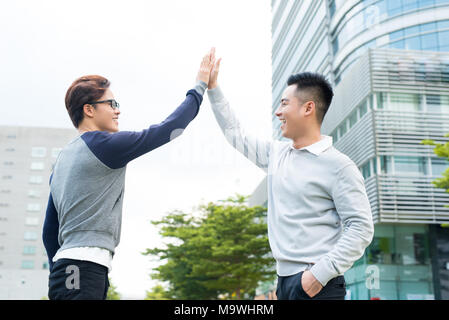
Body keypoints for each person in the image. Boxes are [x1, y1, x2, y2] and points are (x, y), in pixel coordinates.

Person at [42, 49, 215, 300]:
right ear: (89, 109)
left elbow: (50, 230)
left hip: (72, 268)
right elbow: (169, 129)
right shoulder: (103, 145)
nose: (117, 110)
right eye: (111, 104)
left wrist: (56, 267)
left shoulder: (63, 160)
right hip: (81, 268)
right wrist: (199, 86)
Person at [205, 52, 374, 300]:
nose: (278, 112)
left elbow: (361, 228)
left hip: (318, 284)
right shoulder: (276, 155)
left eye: (284, 103)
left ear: (308, 108)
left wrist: (317, 276)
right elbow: (236, 134)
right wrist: (213, 88)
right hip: (284, 283)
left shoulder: (339, 166)